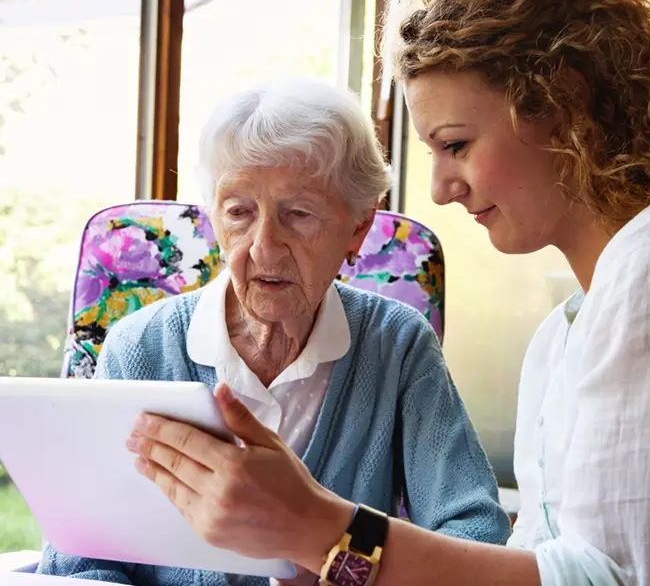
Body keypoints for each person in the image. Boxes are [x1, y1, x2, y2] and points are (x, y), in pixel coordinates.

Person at [120, 0, 650, 584]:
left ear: (563, 107)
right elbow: (537, 562)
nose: (441, 189)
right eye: (238, 212)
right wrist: (325, 553)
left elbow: (609, 580)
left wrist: (318, 528)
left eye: (456, 145)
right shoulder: (562, 337)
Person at [36, 78, 511, 585]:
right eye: (239, 212)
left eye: (298, 214)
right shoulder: (138, 350)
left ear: (358, 227)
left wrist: (335, 561)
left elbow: (474, 533)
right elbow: (79, 562)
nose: (263, 248)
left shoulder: (396, 344)